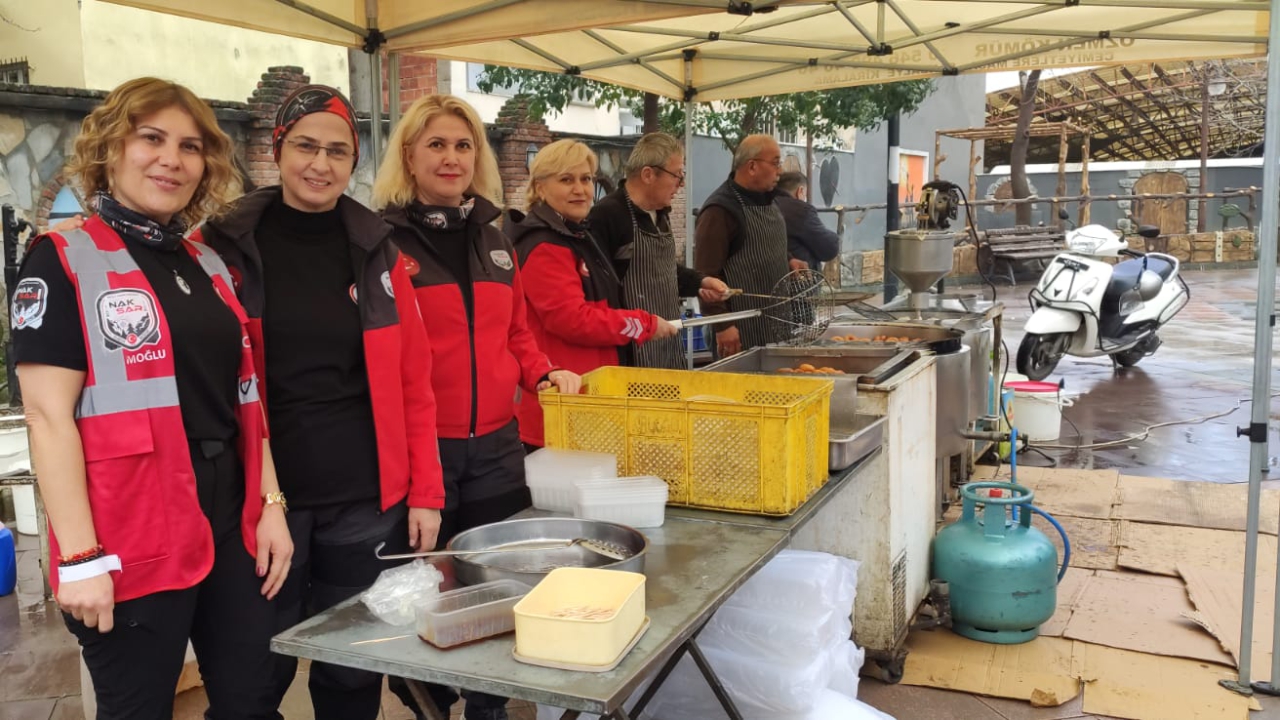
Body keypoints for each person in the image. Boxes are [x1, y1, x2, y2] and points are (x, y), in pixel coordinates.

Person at [12, 77, 292, 720]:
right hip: (129, 525)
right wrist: (79, 557)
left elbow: (246, 401)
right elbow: (47, 416)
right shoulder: (62, 259)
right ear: (112, 148)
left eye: (191, 146)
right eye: (152, 138)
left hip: (230, 515)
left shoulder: (207, 265)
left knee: (253, 699)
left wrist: (271, 505)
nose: (173, 158)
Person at [197, 85, 445, 720]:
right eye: (306, 145)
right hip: (256, 498)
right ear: (277, 150)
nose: (321, 164)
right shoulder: (222, 246)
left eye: (338, 151)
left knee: (352, 669)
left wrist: (426, 490)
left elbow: (415, 380)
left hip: (361, 498)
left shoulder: (378, 249)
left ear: (354, 160)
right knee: (251, 674)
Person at [374, 94, 580, 720]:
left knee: (492, 584)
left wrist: (543, 372)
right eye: (436, 144)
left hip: (495, 447)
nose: (451, 157)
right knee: (427, 588)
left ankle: (486, 706)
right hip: (420, 451)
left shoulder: (496, 240)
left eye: (463, 145)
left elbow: (516, 332)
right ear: (408, 155)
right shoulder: (380, 241)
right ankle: (430, 699)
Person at [504, 139, 680, 449]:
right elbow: (573, 319)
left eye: (585, 179)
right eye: (566, 180)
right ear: (541, 188)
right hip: (562, 406)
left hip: (590, 400)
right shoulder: (545, 245)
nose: (580, 189)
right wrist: (642, 325)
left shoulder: (575, 234)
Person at [588, 133, 728, 369]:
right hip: (632, 355)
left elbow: (662, 272)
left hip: (668, 345)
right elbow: (598, 293)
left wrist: (701, 281)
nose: (681, 184)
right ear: (648, 175)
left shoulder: (661, 214)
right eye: (677, 175)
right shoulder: (608, 216)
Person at [694, 134, 792, 357]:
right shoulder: (719, 212)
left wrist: (790, 260)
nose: (780, 171)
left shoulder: (770, 201)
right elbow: (705, 275)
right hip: (737, 332)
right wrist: (722, 325)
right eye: (776, 163)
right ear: (752, 167)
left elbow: (766, 245)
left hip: (776, 326)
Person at [775, 171, 840, 273]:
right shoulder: (801, 210)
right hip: (799, 280)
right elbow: (829, 248)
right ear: (800, 191)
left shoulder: (766, 205)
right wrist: (835, 237)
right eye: (805, 194)